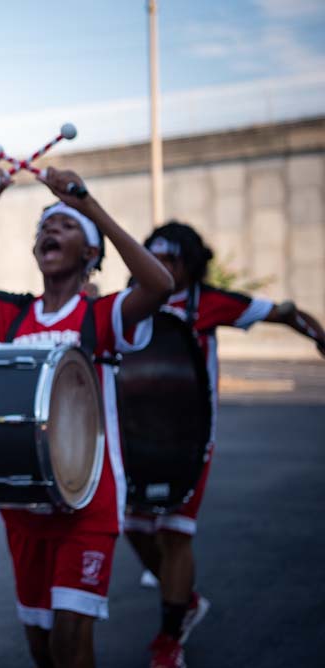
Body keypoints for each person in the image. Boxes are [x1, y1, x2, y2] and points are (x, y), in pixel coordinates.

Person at [0, 167, 173, 668]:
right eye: (44, 226)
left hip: (88, 502)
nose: (50, 229)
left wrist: (88, 203)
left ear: (90, 253)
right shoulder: (9, 314)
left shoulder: (103, 316)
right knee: (41, 647)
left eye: (66, 225)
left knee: (72, 645)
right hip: (23, 504)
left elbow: (159, 284)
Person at [123, 221, 325, 668]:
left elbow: (285, 310)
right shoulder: (132, 305)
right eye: (154, 256)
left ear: (190, 262)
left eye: (171, 257)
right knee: (135, 530)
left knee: (175, 534)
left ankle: (169, 638)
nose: (162, 265)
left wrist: (318, 336)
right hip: (137, 438)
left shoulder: (208, 302)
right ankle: (185, 600)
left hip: (192, 440)